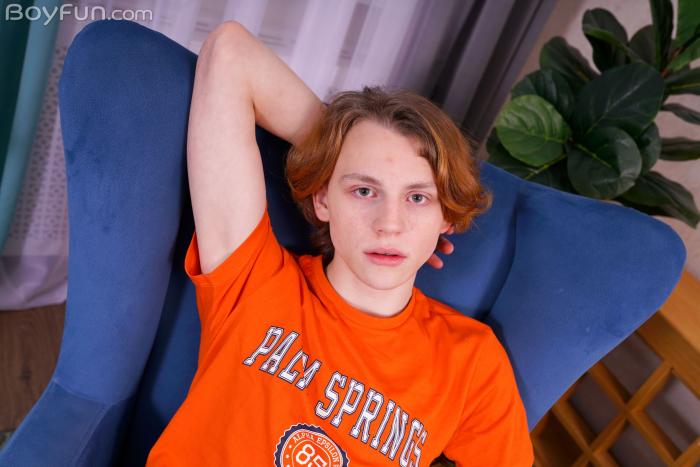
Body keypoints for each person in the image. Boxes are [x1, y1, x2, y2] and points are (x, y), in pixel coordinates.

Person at [146, 20, 534, 467]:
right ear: (323, 199)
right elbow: (229, 52)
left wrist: (356, 163)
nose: (390, 225)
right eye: (364, 191)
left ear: (446, 217)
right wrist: (338, 151)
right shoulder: (253, 280)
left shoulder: (472, 361)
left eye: (418, 198)